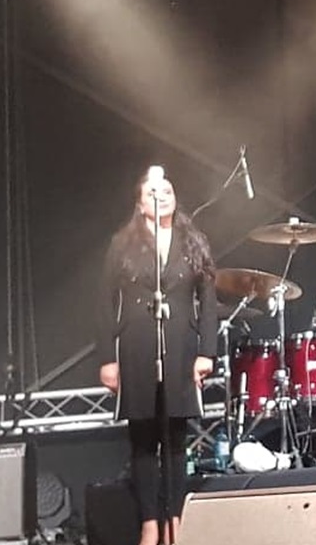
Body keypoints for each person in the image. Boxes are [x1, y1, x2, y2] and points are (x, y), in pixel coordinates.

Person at [96, 169, 219, 545]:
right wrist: (107, 358)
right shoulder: (122, 244)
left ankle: (176, 519)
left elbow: (208, 301)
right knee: (144, 439)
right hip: (136, 345)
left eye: (167, 189)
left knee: (176, 439)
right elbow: (104, 301)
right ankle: (150, 521)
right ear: (139, 203)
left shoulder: (193, 241)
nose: (162, 195)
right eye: (153, 190)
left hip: (180, 345)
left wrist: (206, 351)